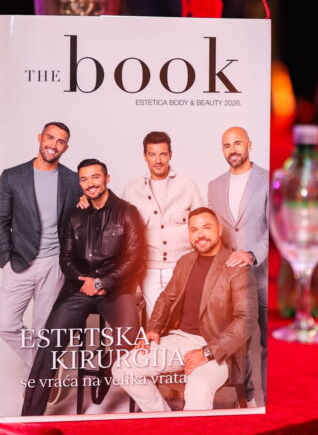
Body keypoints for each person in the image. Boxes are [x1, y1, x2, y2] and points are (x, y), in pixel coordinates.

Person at [22, 158, 145, 416]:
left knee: (129, 334)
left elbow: (135, 259)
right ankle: (29, 415)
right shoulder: (75, 214)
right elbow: (65, 259)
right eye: (84, 179)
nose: (90, 184)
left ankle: (105, 369)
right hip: (79, 288)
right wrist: (85, 281)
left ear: (107, 178)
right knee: (49, 343)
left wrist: (103, 282)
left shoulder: (127, 212)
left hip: (116, 288)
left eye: (95, 177)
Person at [111, 207, 257, 411]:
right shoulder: (185, 261)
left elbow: (246, 320)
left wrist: (207, 352)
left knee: (198, 389)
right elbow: (166, 298)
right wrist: (153, 329)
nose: (200, 235)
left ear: (219, 229)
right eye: (194, 230)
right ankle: (163, 418)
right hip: (180, 339)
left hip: (219, 348)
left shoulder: (236, 266)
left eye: (206, 227)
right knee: (123, 368)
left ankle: (192, 431)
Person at [0, 121, 80, 371]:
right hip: (20, 261)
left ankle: (36, 383)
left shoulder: (72, 180)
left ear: (66, 147)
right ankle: (42, 369)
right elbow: (1, 221)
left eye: (60, 141)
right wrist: (6, 261)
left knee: (44, 329)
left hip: (55, 263)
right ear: (40, 137)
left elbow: (82, 218)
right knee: (5, 324)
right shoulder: (11, 177)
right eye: (50, 138)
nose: (54, 145)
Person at [207, 126, 269, 401]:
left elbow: (274, 229)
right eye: (227, 145)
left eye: (237, 143)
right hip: (231, 280)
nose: (232, 150)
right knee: (238, 344)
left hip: (261, 275)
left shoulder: (267, 180)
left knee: (266, 343)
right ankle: (247, 399)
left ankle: (267, 401)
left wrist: (252, 254)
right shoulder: (214, 186)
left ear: (249, 145)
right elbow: (216, 233)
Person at [122, 131, 202, 317]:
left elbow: (202, 226)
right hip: (148, 270)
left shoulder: (188, 185)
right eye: (152, 154)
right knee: (155, 321)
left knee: (185, 320)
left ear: (170, 155)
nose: (158, 160)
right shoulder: (131, 190)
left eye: (163, 154)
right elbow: (122, 234)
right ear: (145, 156)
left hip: (183, 267)